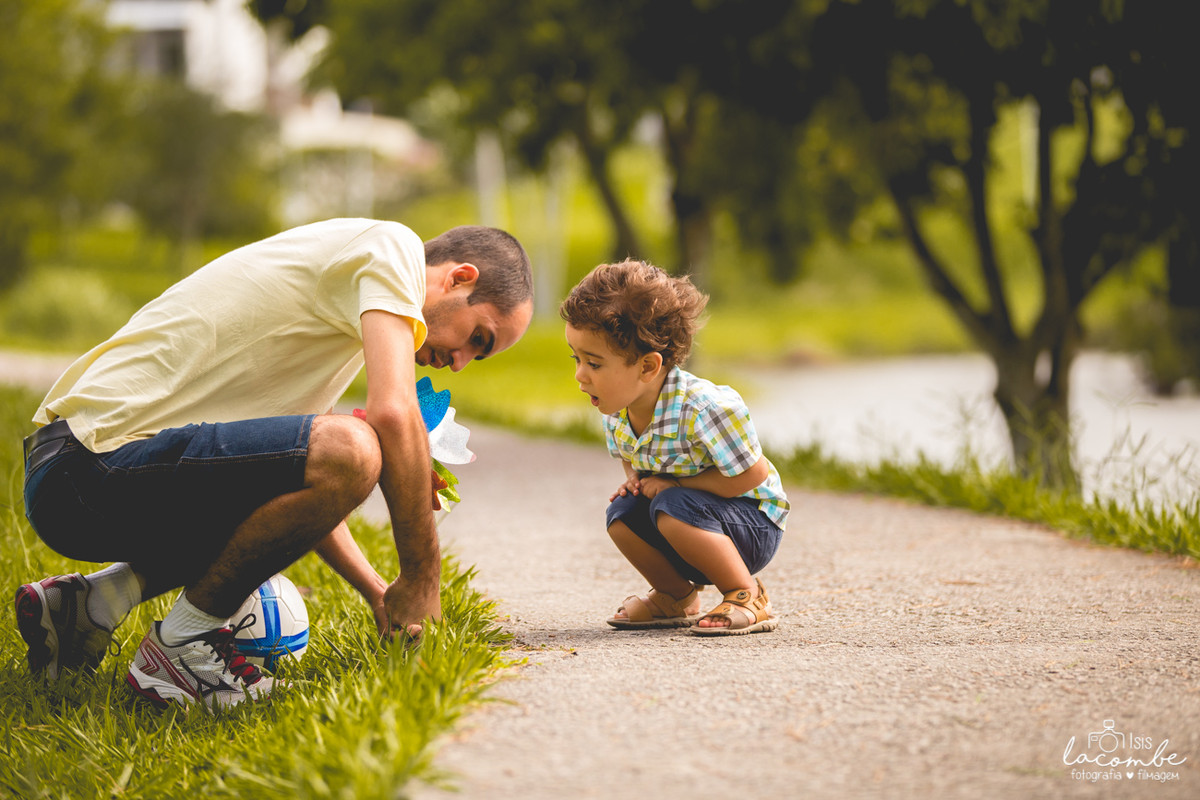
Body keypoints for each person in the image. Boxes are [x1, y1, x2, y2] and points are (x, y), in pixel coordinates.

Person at [16, 217, 533, 709]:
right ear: (459, 278)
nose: (462, 361)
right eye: (478, 337)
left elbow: (309, 492)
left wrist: (378, 594)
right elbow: (391, 418)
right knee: (355, 447)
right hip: (87, 467)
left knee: (336, 455)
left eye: (479, 356)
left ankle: (88, 607)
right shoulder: (392, 247)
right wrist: (421, 577)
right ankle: (181, 646)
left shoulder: (334, 324)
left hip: (77, 477)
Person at [560, 259, 788, 636]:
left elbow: (753, 474)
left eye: (594, 364)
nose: (580, 375)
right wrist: (636, 481)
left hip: (750, 525)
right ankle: (675, 595)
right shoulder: (616, 407)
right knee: (621, 512)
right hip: (683, 522)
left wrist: (677, 488)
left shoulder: (703, 409)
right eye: (577, 358)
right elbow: (632, 459)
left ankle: (746, 593)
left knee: (670, 505)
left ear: (648, 367)